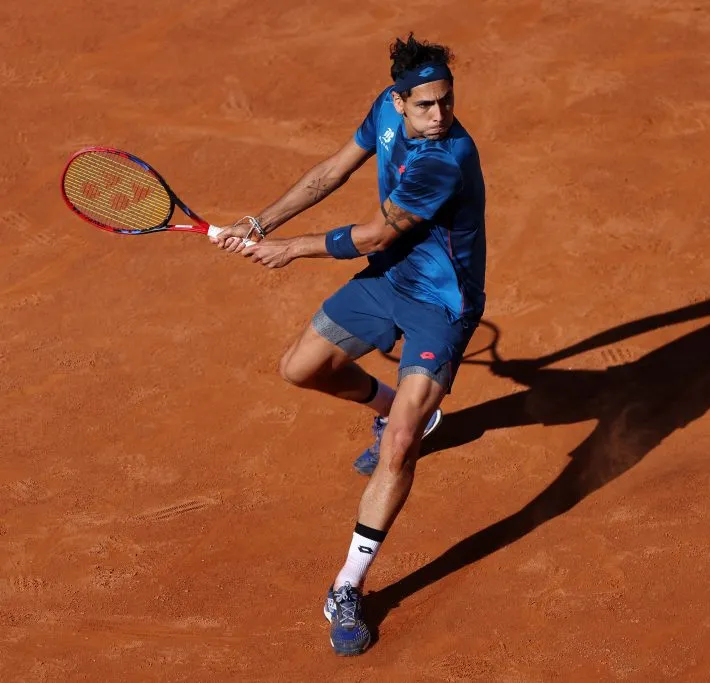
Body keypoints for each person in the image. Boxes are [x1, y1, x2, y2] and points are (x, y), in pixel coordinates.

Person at [211, 33, 485, 656]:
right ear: (400, 98)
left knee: (398, 448)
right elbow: (333, 171)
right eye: (426, 106)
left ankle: (348, 587)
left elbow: (374, 233)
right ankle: (393, 405)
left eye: (447, 102)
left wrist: (289, 249)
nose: (440, 116)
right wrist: (259, 223)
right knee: (300, 369)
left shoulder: (447, 158)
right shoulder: (386, 110)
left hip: (440, 308)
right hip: (389, 282)